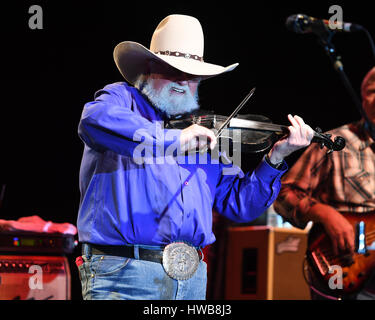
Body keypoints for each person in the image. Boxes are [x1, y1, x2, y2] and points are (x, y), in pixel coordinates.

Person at [76, 14, 314, 300]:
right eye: (171, 70)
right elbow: (94, 119)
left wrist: (276, 157)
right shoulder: (122, 100)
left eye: (191, 74)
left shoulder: (204, 134)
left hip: (192, 281)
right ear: (149, 67)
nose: (182, 81)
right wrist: (176, 140)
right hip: (124, 274)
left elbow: (240, 204)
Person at [274, 66, 375, 300]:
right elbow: (283, 194)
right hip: (342, 267)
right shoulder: (336, 144)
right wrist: (325, 214)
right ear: (365, 98)